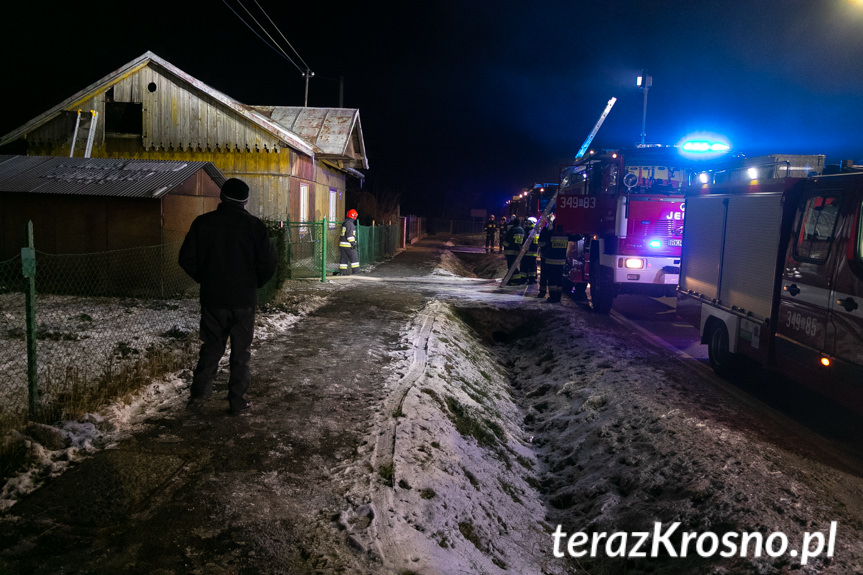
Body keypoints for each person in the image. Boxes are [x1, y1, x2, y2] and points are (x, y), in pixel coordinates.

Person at [179, 178, 277, 415]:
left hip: (213, 298)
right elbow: (269, 263)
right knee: (241, 352)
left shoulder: (203, 223)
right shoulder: (254, 227)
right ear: (245, 200)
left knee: (212, 347)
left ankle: (198, 397)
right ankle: (237, 400)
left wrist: (206, 278)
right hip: (243, 300)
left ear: (221, 197)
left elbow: (186, 259)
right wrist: (253, 284)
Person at [503, 216, 525, 285]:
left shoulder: (512, 230)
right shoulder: (522, 230)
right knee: (514, 265)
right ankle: (511, 279)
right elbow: (524, 241)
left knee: (511, 266)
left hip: (510, 251)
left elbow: (507, 241)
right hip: (518, 251)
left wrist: (504, 245)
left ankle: (516, 280)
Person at [338, 209, 360, 275]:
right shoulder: (350, 224)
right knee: (354, 257)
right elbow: (349, 235)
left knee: (343, 259)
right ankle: (356, 272)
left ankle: (343, 272)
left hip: (342, 245)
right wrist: (353, 244)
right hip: (348, 245)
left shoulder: (345, 223)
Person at [521, 217, 539, 284]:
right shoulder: (537, 231)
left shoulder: (527, 230)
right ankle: (532, 279)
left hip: (526, 252)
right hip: (534, 252)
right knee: (533, 266)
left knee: (524, 266)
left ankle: (524, 279)